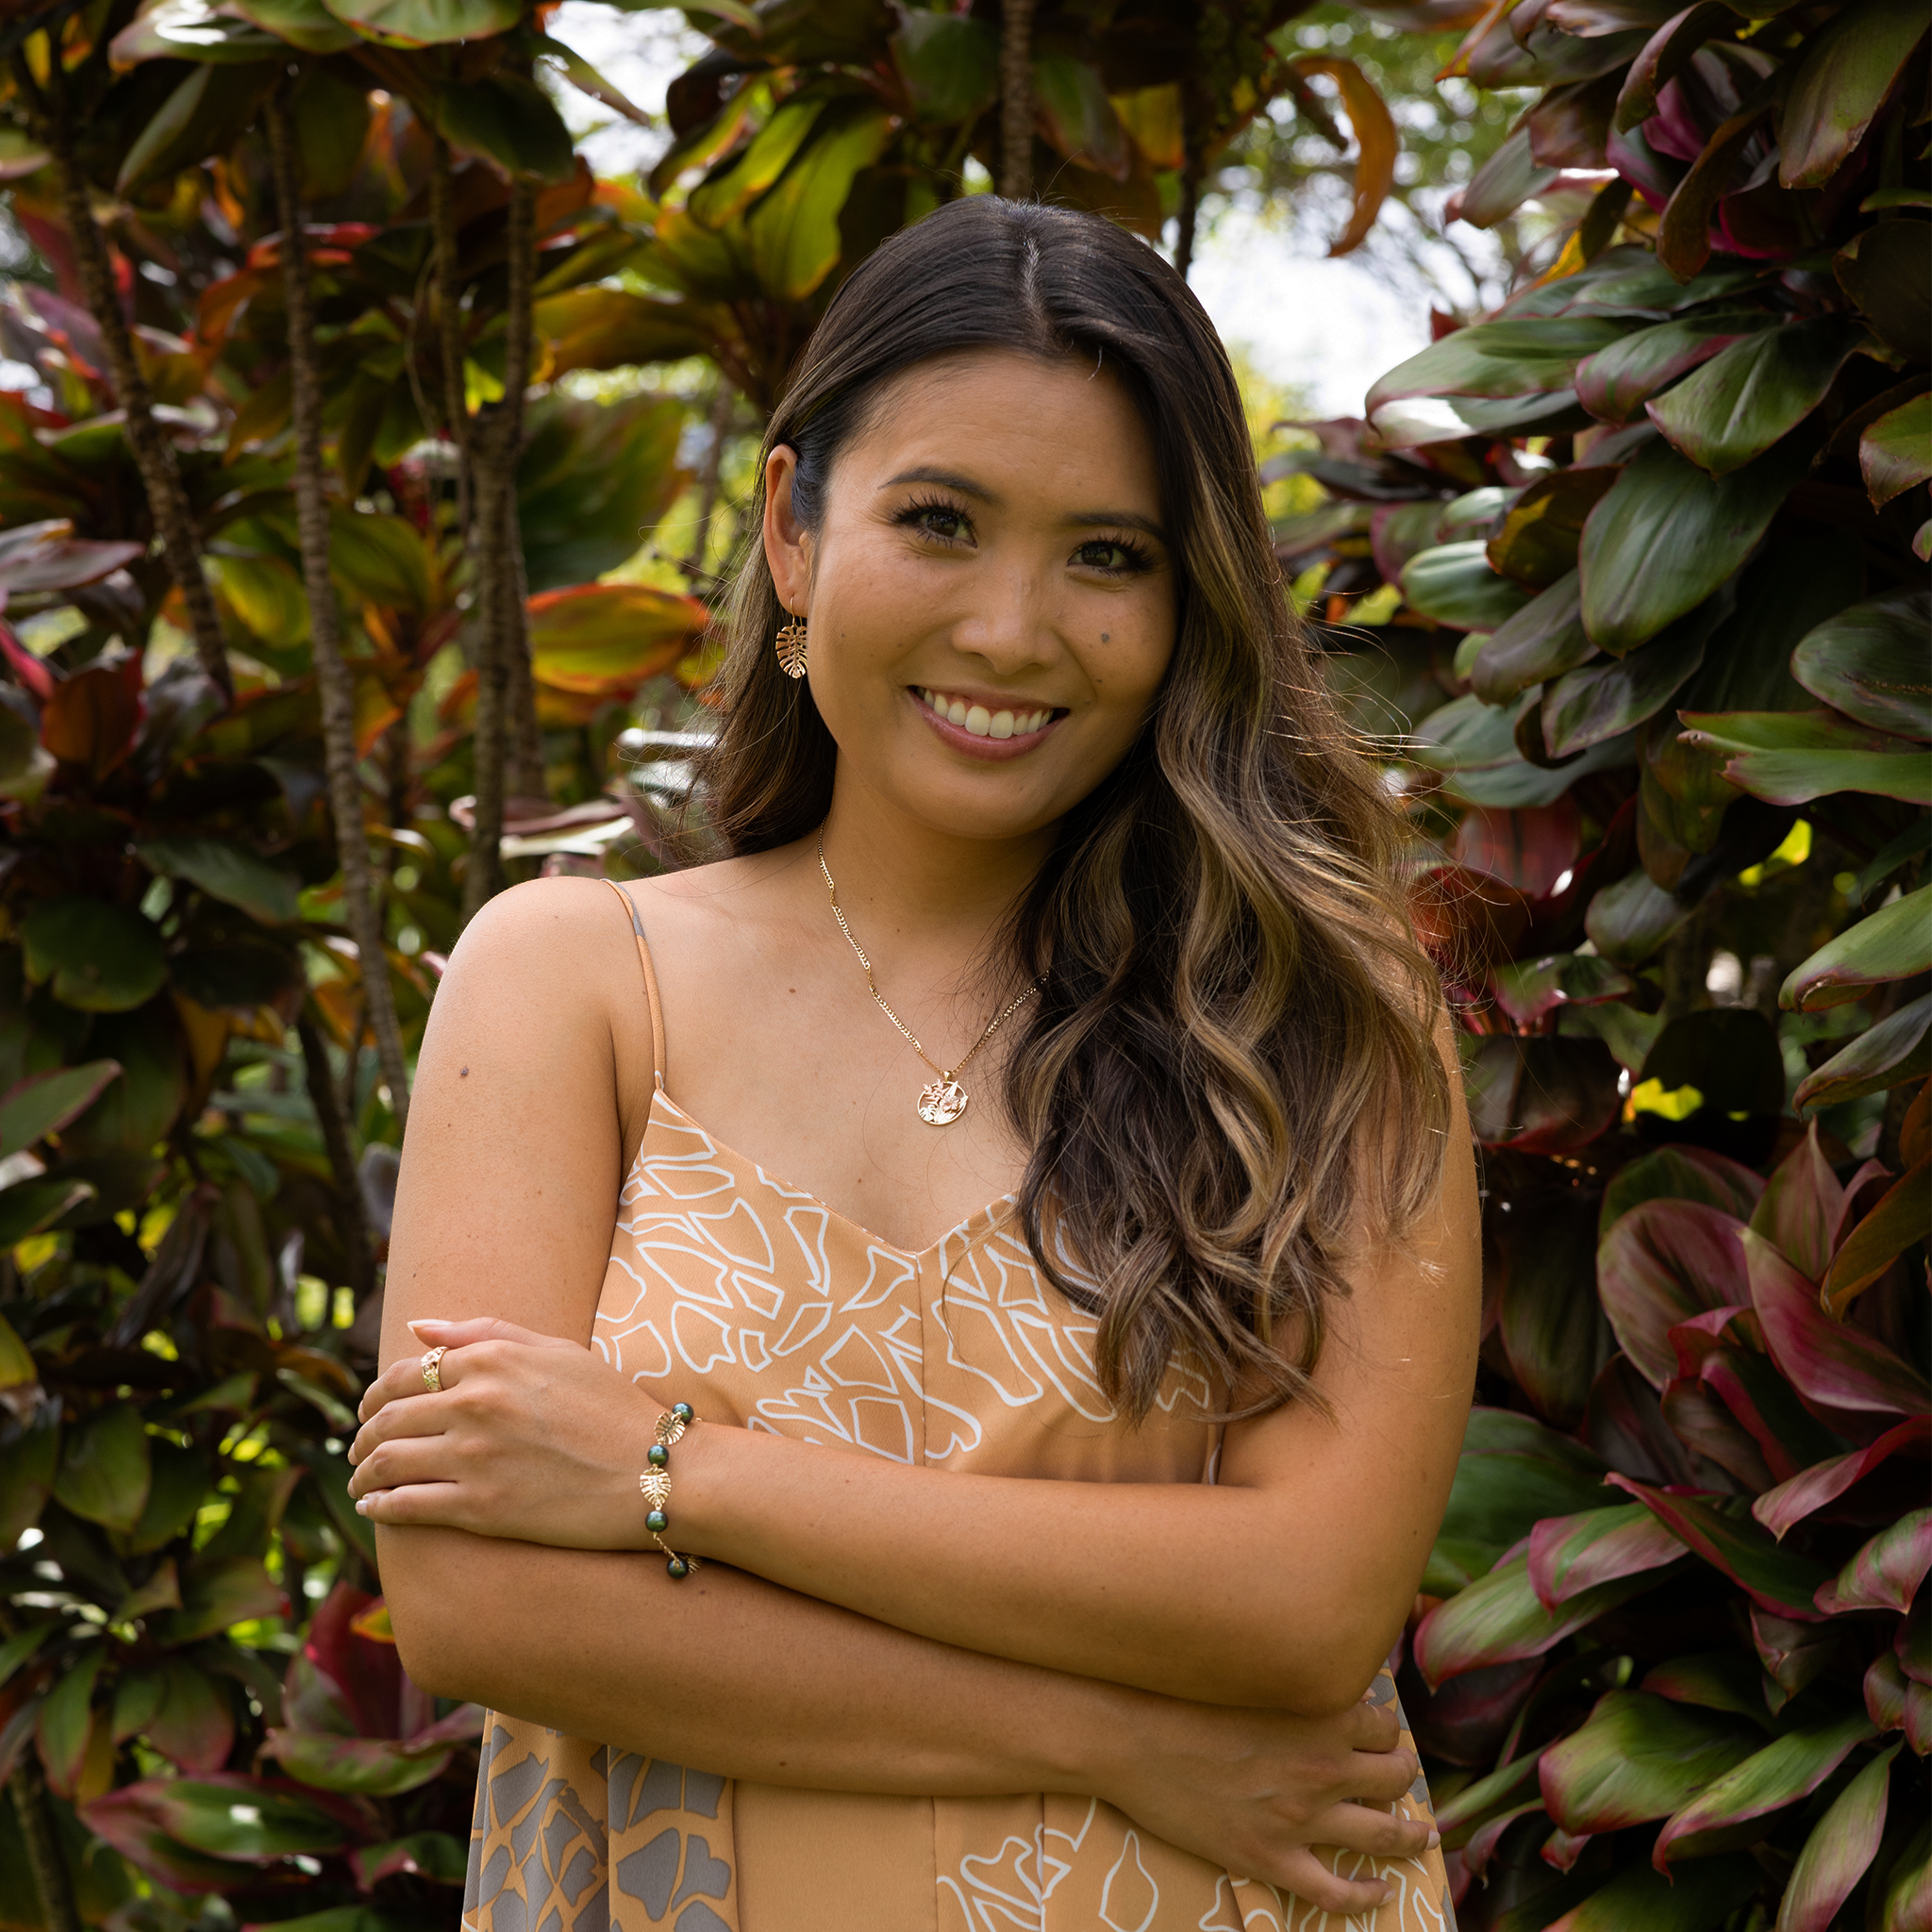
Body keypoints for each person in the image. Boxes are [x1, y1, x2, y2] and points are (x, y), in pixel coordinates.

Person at [347, 194, 1480, 1932]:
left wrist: (671, 1473)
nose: (1015, 632)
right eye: (940, 522)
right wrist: (1105, 1732)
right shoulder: (571, 979)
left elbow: (1304, 1601)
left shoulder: (1316, 1014)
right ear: (794, 531)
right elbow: (479, 1606)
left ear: (1193, 604)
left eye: (1109, 555)